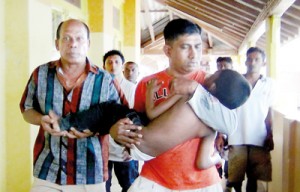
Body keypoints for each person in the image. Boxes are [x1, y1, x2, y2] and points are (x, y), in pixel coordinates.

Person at [109, 18, 242, 192]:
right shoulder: (148, 83)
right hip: (155, 179)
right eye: (185, 47)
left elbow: (231, 125)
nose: (194, 54)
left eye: (197, 47)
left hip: (202, 183)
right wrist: (118, 133)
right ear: (168, 51)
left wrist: (195, 89)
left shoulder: (212, 84)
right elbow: (140, 125)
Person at [55, 69, 251, 166]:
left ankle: (64, 123)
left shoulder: (189, 97)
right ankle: (87, 129)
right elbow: (202, 162)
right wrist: (219, 158)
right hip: (148, 152)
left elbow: (152, 114)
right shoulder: (211, 127)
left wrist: (150, 94)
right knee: (108, 118)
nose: (208, 75)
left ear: (213, 86)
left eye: (213, 75)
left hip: (139, 134)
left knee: (107, 109)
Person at [19, 19, 124, 192]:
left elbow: (120, 116)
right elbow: (26, 108)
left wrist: (98, 129)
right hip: (47, 169)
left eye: (79, 38)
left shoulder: (106, 80)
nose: (73, 44)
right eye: (66, 38)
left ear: (88, 43)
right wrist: (41, 119)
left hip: (90, 173)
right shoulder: (41, 74)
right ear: (57, 44)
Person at [226, 47, 274, 192]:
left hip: (259, 137)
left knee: (254, 178)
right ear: (245, 61)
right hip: (236, 136)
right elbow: (227, 108)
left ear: (263, 63)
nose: (252, 62)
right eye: (249, 59)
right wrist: (222, 134)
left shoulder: (269, 84)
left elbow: (270, 111)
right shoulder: (236, 82)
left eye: (256, 59)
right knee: (235, 178)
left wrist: (270, 134)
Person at [103, 50, 139, 192]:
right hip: (103, 148)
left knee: (129, 186)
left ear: (122, 65)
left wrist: (132, 147)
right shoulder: (99, 87)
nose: (113, 65)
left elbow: (137, 120)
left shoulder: (131, 89)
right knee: (103, 187)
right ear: (104, 65)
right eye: (109, 62)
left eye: (117, 62)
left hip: (125, 149)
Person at [214, 56, 233, 182]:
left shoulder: (236, 85)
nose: (222, 68)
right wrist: (220, 134)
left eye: (225, 66)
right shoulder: (212, 84)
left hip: (233, 130)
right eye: (220, 66)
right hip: (216, 129)